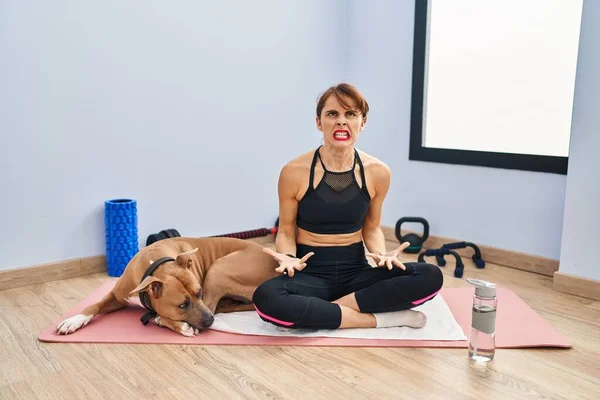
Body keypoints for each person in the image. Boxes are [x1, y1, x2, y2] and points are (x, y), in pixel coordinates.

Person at [253, 83, 443, 330]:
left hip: (356, 271)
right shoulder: (293, 172)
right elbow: (287, 230)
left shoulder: (378, 172)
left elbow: (372, 228)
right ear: (319, 122)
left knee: (430, 275)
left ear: (362, 123)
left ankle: (326, 310)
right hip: (310, 272)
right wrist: (289, 258)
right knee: (266, 299)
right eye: (332, 114)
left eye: (350, 114)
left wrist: (383, 256)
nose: (341, 121)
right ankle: (377, 319)